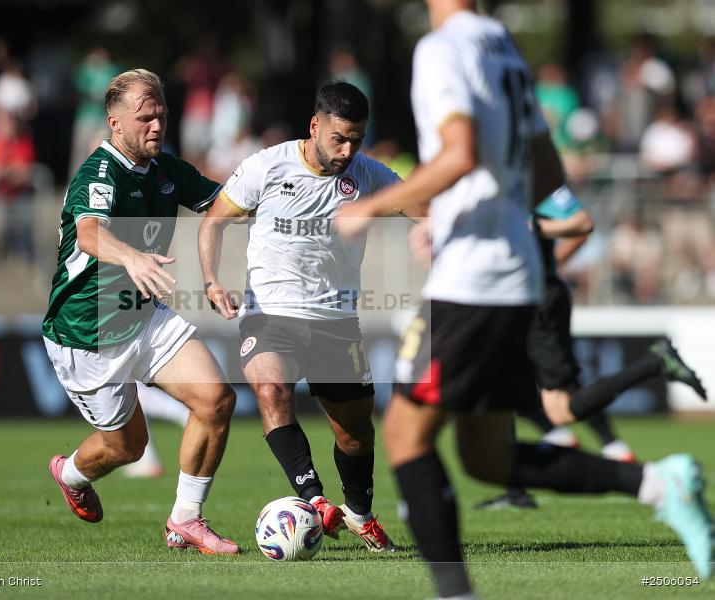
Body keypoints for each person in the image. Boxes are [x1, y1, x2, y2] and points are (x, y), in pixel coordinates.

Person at [336, 1, 713, 596]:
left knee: (407, 437)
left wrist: (372, 207)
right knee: (488, 459)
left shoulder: (442, 47)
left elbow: (459, 154)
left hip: (472, 279)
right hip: (514, 271)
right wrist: (480, 215)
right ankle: (658, 484)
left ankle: (456, 593)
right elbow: (546, 168)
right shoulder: (501, 45)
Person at [43, 69, 239, 555]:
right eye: (144, 118)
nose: (156, 126)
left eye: (162, 116)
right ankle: (70, 474)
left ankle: (185, 520)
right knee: (126, 448)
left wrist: (286, 188)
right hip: (87, 334)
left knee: (216, 400)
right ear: (114, 123)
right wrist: (130, 256)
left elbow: (228, 203)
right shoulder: (98, 173)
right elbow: (89, 232)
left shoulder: (167, 171)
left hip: (142, 314)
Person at [199, 82, 399, 552]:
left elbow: (424, 204)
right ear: (314, 126)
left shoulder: (367, 174)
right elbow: (214, 222)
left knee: (354, 435)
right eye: (339, 139)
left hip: (336, 320)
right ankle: (315, 500)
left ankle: (360, 514)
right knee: (271, 390)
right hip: (270, 313)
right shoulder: (267, 166)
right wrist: (211, 280)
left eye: (356, 140)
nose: (347, 151)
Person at [475, 184, 708, 510]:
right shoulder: (495, 181)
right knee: (501, 382)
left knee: (560, 407)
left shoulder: (537, 180)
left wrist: (538, 243)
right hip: (514, 297)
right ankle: (518, 488)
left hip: (538, 299)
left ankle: (655, 364)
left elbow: (581, 224)